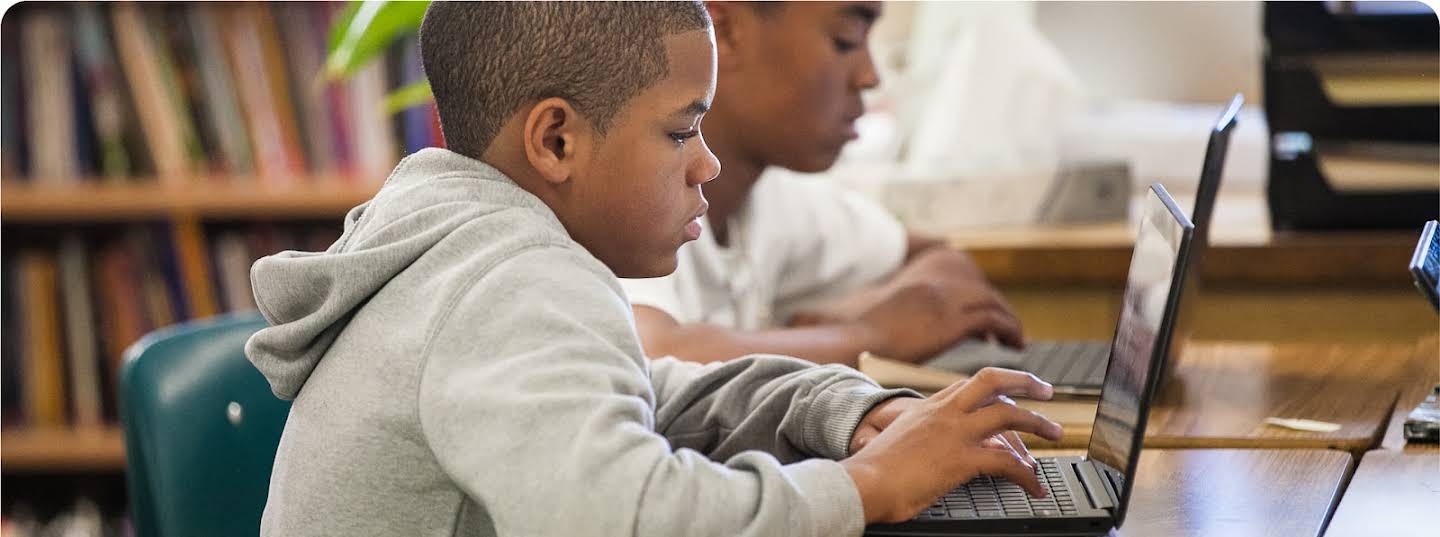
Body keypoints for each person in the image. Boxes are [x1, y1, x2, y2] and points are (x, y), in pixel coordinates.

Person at [245, 3, 1061, 536]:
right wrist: (869, 484)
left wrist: (840, 413)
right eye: (680, 133)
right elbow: (625, 514)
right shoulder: (511, 281)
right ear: (556, 141)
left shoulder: (469, 245)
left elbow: (643, 388)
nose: (706, 164)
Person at [623, 1, 1026, 367]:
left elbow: (941, 262)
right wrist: (870, 336)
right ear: (723, 32)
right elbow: (652, 356)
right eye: (845, 40)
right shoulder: (621, 193)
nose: (870, 76)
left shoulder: (774, 197)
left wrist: (856, 313)